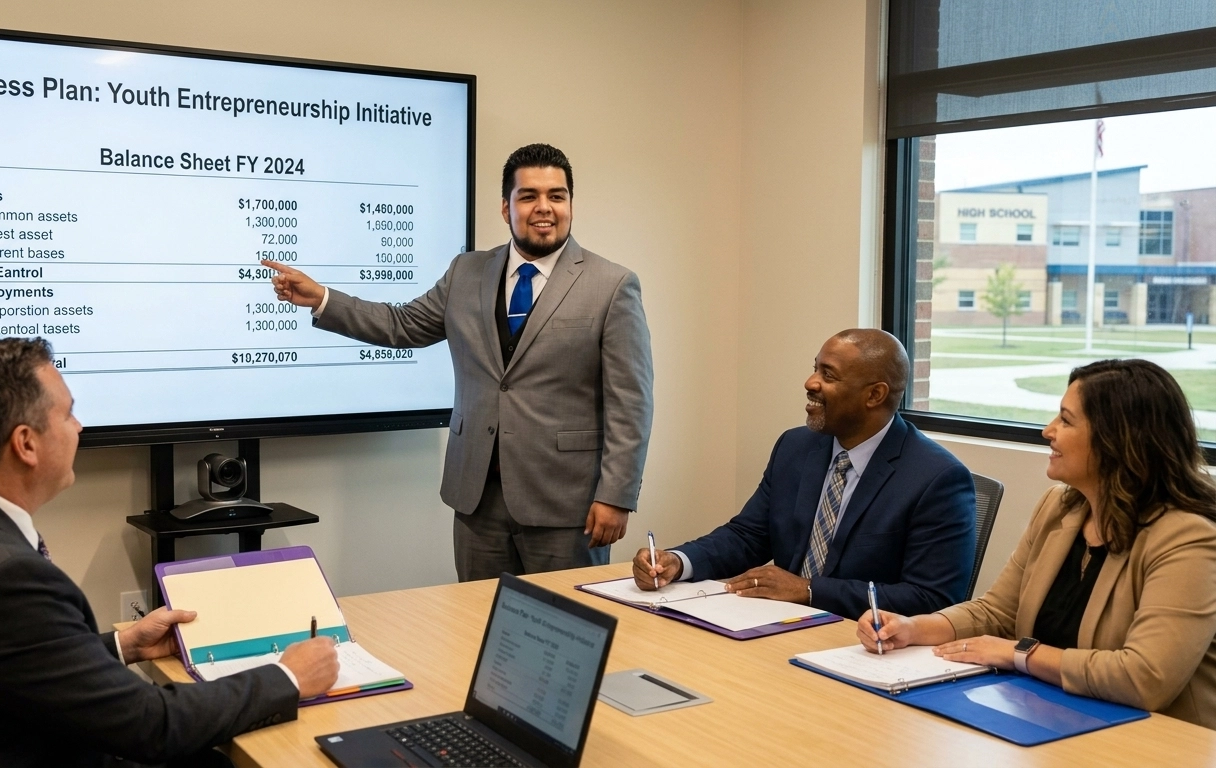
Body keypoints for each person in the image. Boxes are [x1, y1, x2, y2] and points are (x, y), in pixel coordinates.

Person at [0, 339, 340, 767]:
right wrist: (287, 677)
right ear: (25, 444)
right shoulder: (4, 578)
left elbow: (10, 666)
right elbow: (152, 727)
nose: (79, 427)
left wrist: (124, 645)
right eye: (67, 414)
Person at [265, 143, 653, 581]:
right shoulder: (467, 272)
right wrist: (323, 299)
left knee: (563, 620)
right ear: (506, 208)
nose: (544, 208)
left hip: (566, 504)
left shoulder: (612, 284)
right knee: (476, 618)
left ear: (570, 205)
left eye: (556, 196)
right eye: (528, 196)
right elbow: (402, 325)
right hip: (477, 501)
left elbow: (631, 403)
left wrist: (616, 495)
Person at [858, 359, 1216, 729]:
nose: (1048, 431)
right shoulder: (1059, 507)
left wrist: (1020, 653)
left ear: (1117, 439)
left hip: (1157, 738)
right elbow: (997, 612)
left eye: (1066, 420)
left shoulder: (1188, 538)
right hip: (1058, 718)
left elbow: (1145, 678)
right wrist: (912, 628)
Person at [634, 329, 976, 619]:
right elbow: (749, 536)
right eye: (815, 369)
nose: (810, 383)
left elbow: (932, 599)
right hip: (776, 625)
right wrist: (678, 562)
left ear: (875, 394)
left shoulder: (937, 479)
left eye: (828, 375)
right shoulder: (796, 447)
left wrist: (810, 590)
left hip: (860, 642)